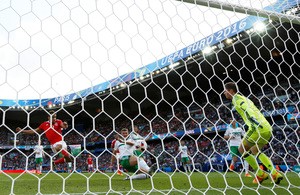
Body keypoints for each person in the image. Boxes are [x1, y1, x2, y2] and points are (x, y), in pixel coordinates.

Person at [224, 82, 283, 184]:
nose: (224, 93)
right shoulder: (245, 98)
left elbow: (246, 109)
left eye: (225, 91)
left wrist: (253, 120)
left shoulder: (237, 100)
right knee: (255, 150)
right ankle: (275, 173)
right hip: (267, 127)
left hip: (257, 127)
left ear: (230, 91)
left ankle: (260, 174)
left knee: (242, 149)